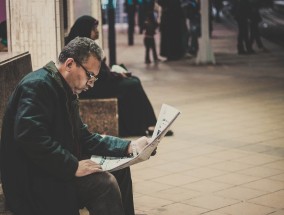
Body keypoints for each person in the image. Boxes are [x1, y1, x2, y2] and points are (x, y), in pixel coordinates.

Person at [0, 37, 153, 215]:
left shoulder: (65, 89)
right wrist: (72, 166)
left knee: (121, 172)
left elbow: (84, 136)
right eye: (90, 75)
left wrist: (128, 146)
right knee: (104, 184)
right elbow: (30, 137)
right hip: (31, 178)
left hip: (51, 166)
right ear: (70, 64)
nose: (91, 83)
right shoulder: (38, 86)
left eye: (94, 78)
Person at [65, 15, 173, 137]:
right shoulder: (81, 48)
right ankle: (149, 124)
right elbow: (96, 75)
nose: (97, 31)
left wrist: (116, 75)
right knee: (133, 84)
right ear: (86, 30)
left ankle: (146, 124)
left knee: (133, 81)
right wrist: (118, 76)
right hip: (91, 88)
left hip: (97, 83)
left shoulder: (83, 45)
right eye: (94, 28)